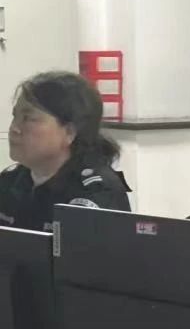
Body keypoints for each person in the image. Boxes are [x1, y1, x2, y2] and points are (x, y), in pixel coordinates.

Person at [0, 71, 131, 232]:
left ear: (69, 132)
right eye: (15, 116)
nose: (14, 128)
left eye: (29, 119)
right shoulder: (11, 181)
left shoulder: (96, 193)